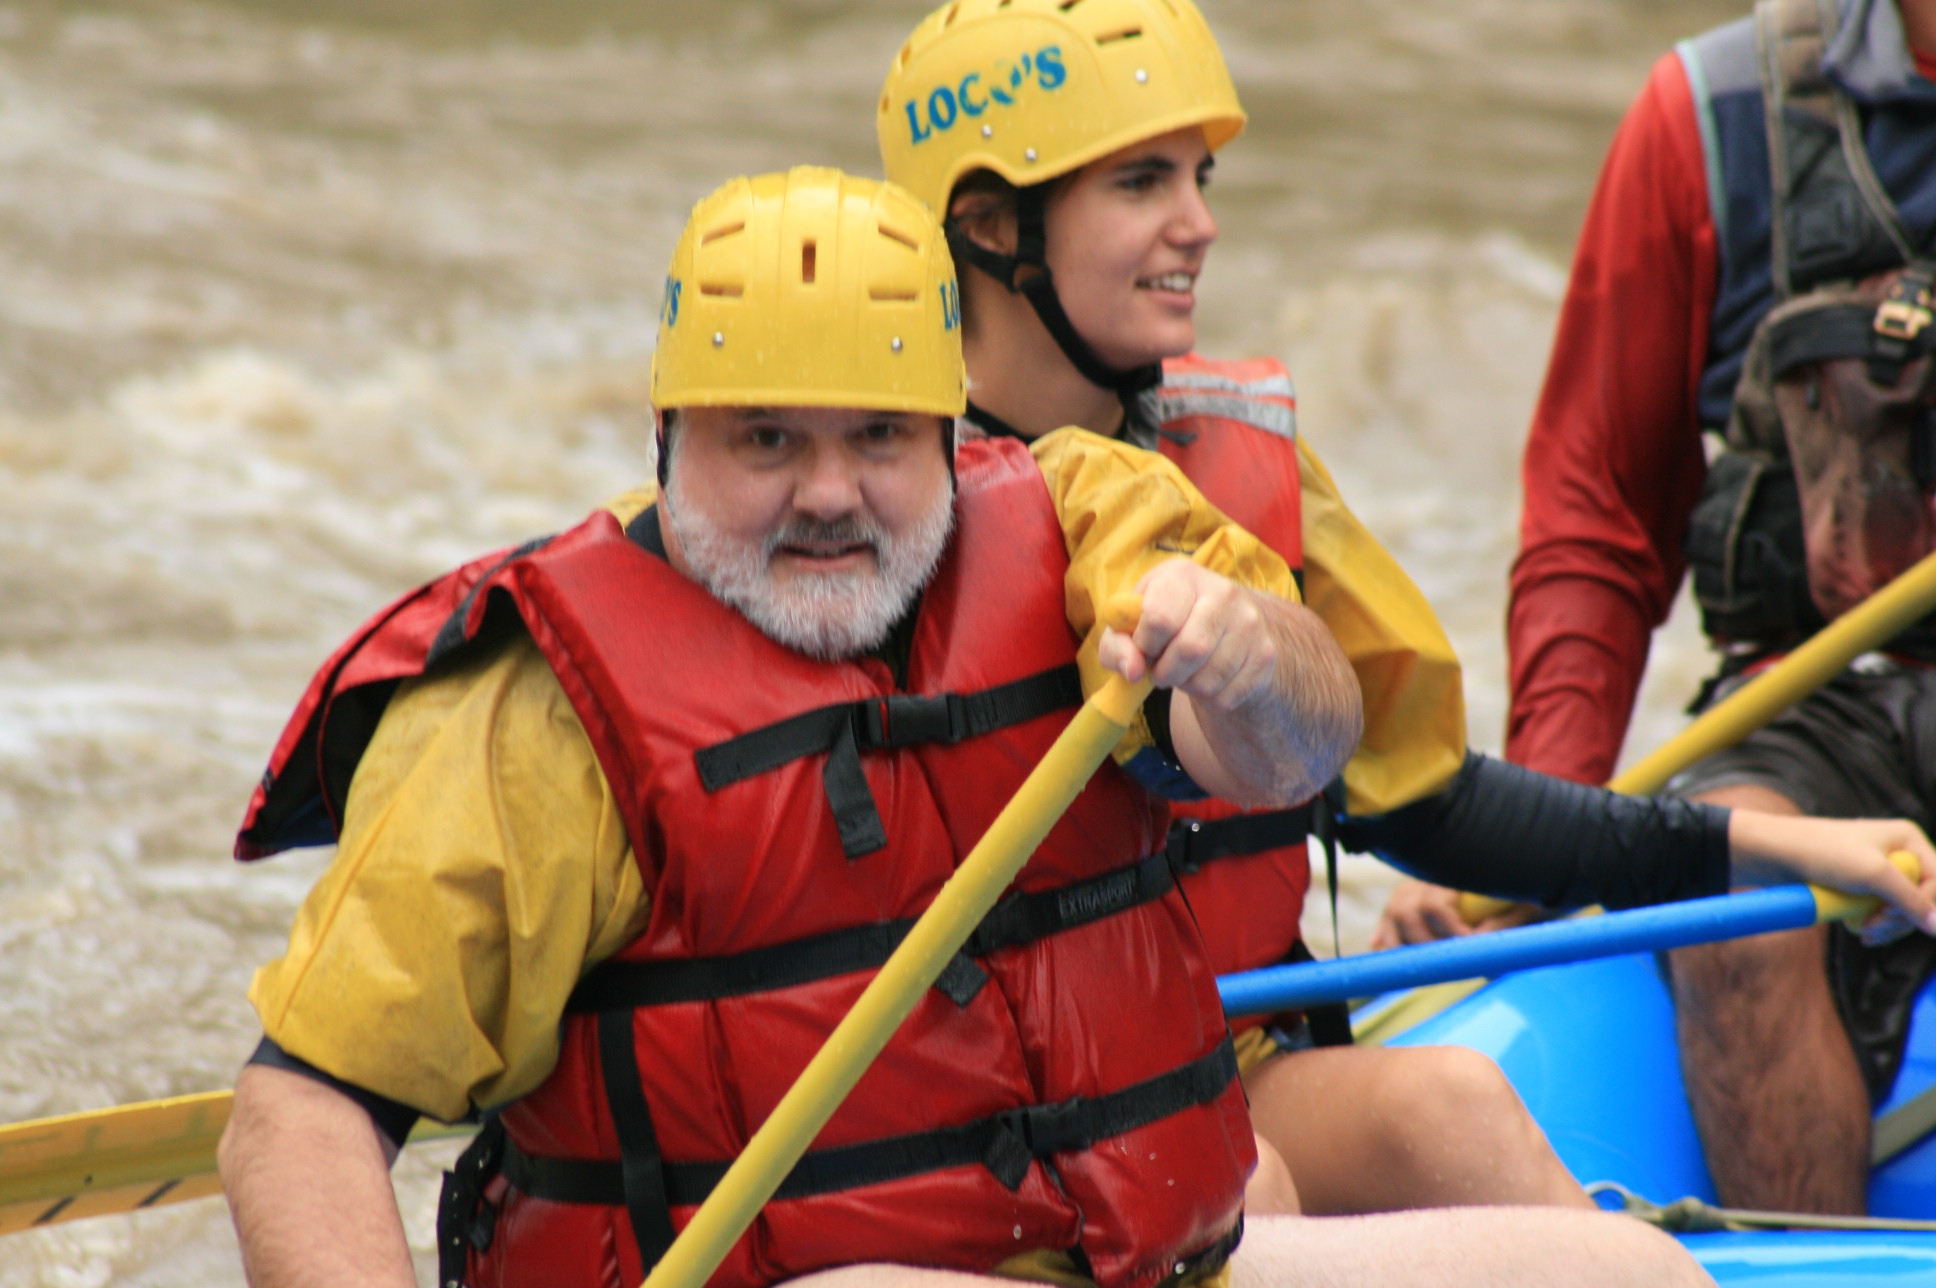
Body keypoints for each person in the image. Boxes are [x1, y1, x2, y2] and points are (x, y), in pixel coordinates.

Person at [215, 167, 1711, 1288]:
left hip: (1156, 1253)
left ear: (950, 432)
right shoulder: (535, 714)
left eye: (879, 437)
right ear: (668, 442)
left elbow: (1295, 756)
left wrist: (1256, 660)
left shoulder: (1083, 513)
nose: (827, 493)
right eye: (765, 442)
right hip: (824, 1281)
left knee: (1633, 1274)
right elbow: (301, 1110)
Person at [877, 0, 1936, 1221]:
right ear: (991, 228)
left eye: (1200, 177)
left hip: (1220, 1059)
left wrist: (1766, 848)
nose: (1200, 224)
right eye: (1140, 183)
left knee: (1457, 1102)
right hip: (981, 1106)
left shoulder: (1250, 466)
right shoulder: (866, 516)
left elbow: (1430, 799)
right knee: (1248, 1195)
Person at [1377, 0, 1936, 1216]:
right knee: (1728, 885)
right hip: (1814, 702)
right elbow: (1601, 517)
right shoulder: (1706, 116)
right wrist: (1531, 833)